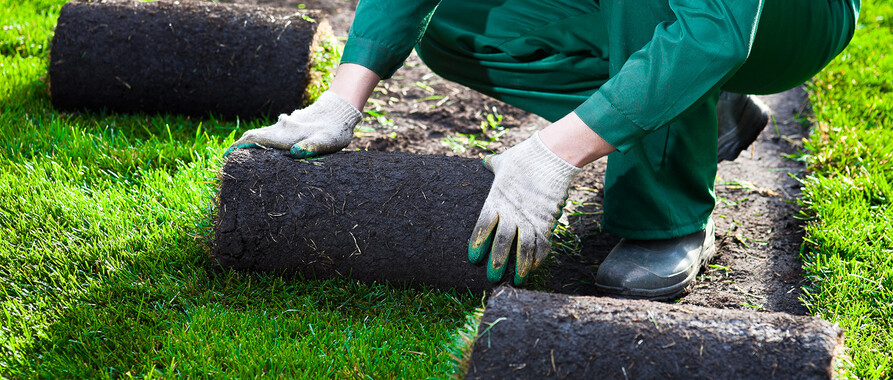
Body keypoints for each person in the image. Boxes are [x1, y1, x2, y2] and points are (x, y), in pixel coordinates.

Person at [227, 0, 859, 300]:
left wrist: (553, 153)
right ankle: (688, 104)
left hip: (788, 17)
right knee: (459, 24)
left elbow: (714, 31)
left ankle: (666, 217)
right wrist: (344, 97)